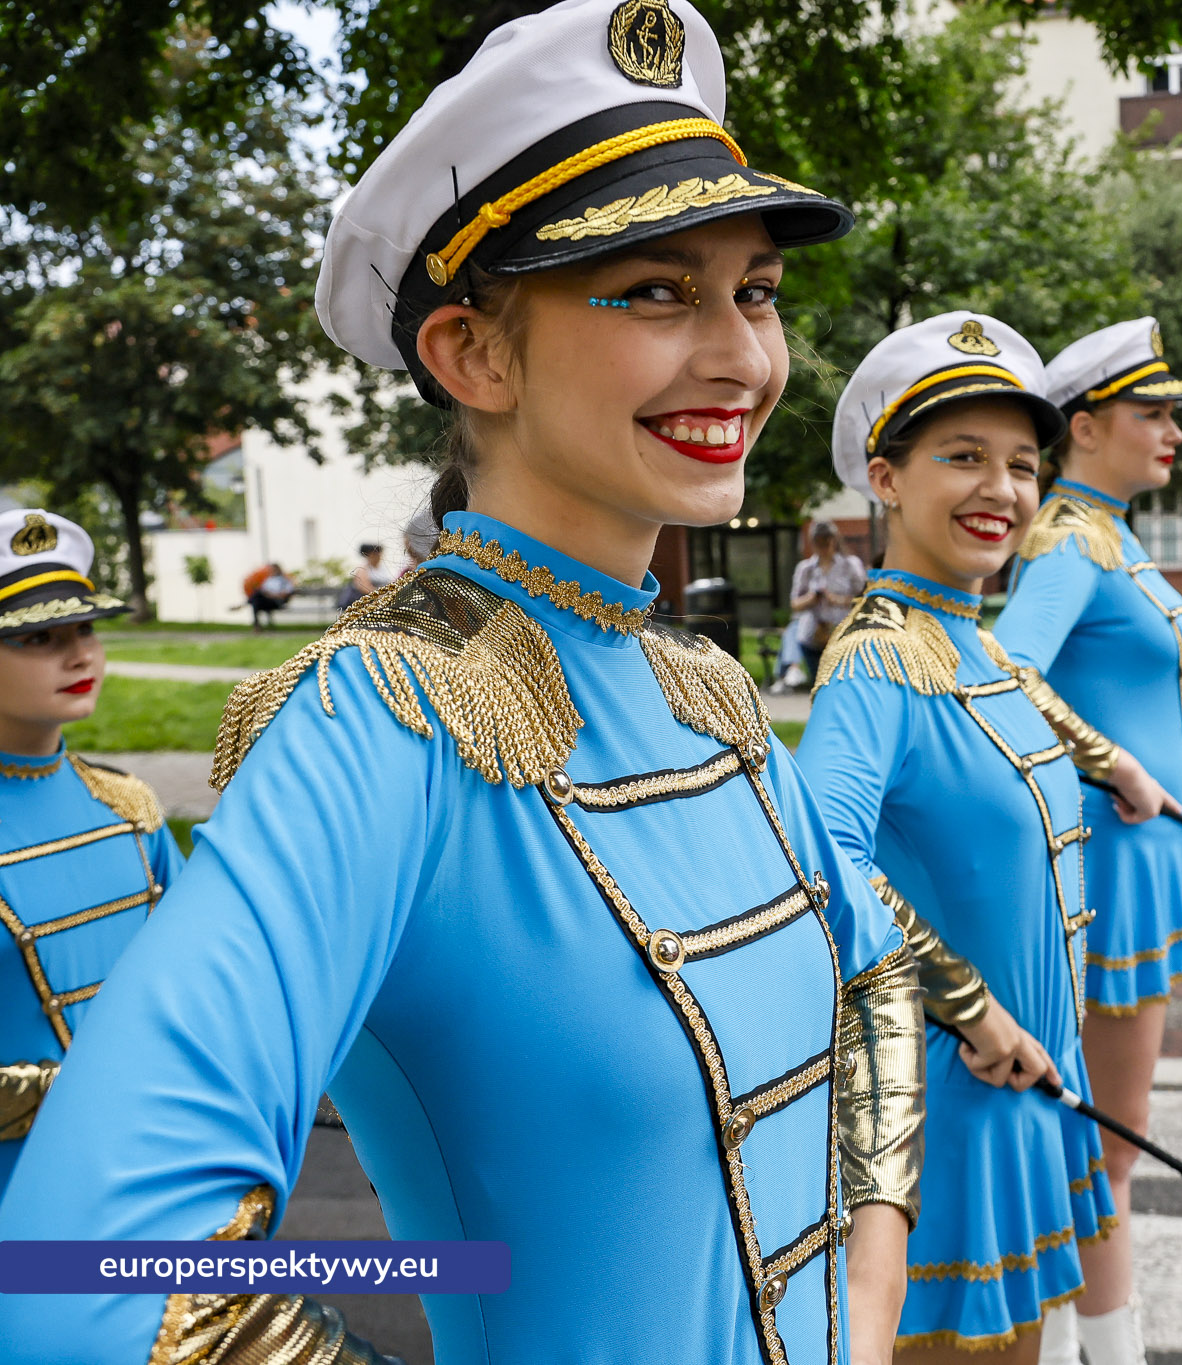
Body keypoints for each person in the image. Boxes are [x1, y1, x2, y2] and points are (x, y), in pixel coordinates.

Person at [0, 5, 923, 1362]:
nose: (744, 354)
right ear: (472, 354)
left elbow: (875, 974)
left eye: (756, 289)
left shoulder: (701, 686)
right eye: (660, 290)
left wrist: (871, 1306)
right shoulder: (385, 719)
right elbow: (88, 1274)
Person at [801, 313, 1173, 1364]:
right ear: (884, 478)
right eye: (960, 458)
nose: (1000, 491)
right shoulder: (877, 661)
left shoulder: (974, 648)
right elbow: (824, 865)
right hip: (949, 1110)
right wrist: (966, 1005)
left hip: (1027, 1091)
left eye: (1019, 465)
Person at [996, 316, 1182, 1364]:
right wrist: (1107, 760)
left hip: (1143, 861)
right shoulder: (1070, 540)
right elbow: (1004, 674)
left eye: (1174, 414)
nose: (1171, 431)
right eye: (1151, 414)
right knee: (1104, 1151)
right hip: (1109, 864)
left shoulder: (1111, 531)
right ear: (1084, 427)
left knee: (1097, 1145)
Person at [0, 508, 183, 1201]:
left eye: (86, 629)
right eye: (38, 637)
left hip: (143, 1178)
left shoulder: (129, 807)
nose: (80, 654)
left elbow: (192, 984)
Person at [786, 519, 866, 683]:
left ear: (834, 540)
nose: (823, 547)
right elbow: (794, 604)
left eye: (826, 541)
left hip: (842, 634)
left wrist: (837, 600)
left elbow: (864, 599)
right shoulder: (806, 569)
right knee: (819, 684)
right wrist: (812, 598)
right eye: (819, 542)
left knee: (842, 682)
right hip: (812, 635)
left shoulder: (850, 565)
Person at [334, 542, 397, 611]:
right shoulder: (362, 569)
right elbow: (364, 587)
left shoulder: (383, 568)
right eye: (375, 554)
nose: (378, 556)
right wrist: (381, 596)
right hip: (366, 604)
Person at [241, 561, 295, 629]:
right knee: (256, 601)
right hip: (267, 600)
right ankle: (257, 625)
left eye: (273, 569)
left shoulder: (285, 580)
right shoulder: (269, 580)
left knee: (257, 595)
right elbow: (263, 591)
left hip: (277, 602)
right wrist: (266, 594)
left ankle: (244, 605)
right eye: (271, 569)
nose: (272, 571)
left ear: (278, 569)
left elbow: (285, 594)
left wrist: (271, 595)